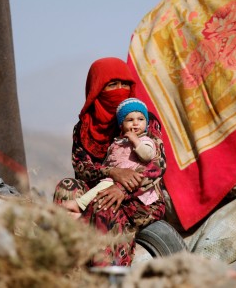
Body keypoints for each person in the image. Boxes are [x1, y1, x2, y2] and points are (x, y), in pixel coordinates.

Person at [53, 57, 166, 267]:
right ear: (97, 88)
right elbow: (81, 168)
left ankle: (109, 269)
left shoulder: (140, 118)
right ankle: (64, 262)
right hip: (99, 187)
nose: (120, 89)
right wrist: (111, 172)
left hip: (139, 194)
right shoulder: (84, 127)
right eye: (112, 85)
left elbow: (157, 165)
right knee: (66, 187)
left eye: (125, 84)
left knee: (106, 205)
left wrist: (122, 189)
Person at [60, 98, 160, 218]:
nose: (135, 123)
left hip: (134, 187)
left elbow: (148, 156)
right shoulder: (117, 142)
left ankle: (80, 206)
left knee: (103, 192)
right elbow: (108, 161)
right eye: (130, 120)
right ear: (121, 125)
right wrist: (110, 171)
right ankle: (83, 213)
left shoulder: (146, 140)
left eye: (140, 119)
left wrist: (136, 142)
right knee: (100, 190)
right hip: (112, 179)